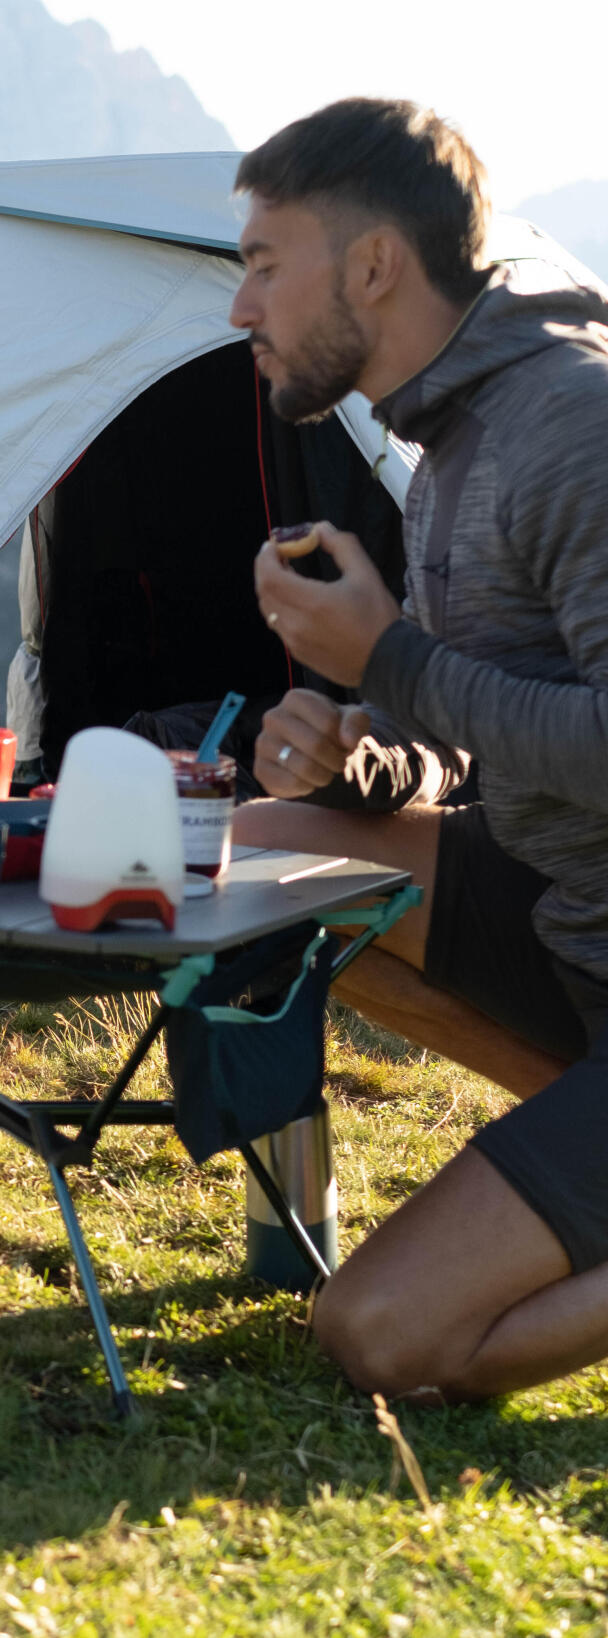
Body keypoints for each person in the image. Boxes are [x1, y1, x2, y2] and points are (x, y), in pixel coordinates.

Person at [225, 98, 608, 1400]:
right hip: (575, 925)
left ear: (373, 264)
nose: (241, 308)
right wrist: (354, 750)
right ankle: (298, 1211)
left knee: (381, 1336)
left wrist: (387, 659)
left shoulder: (576, 426)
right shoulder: (449, 447)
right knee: (263, 857)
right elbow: (468, 730)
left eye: (265, 263)